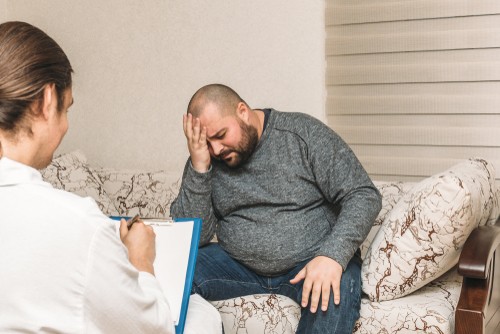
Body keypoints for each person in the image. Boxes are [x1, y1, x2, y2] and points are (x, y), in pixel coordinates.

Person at [0, 21, 221, 333]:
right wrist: (140, 260)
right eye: (67, 110)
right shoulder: (81, 225)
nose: (65, 126)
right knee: (199, 314)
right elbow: (154, 328)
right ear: (46, 101)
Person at [170, 83, 382, 333]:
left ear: (242, 111)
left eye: (221, 135)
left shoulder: (302, 134)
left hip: (311, 261)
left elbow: (363, 194)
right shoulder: (206, 158)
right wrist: (199, 167)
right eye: (207, 142)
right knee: (172, 266)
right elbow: (195, 234)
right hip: (236, 267)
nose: (216, 149)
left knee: (336, 290)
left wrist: (332, 256)